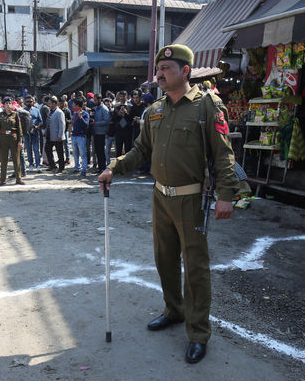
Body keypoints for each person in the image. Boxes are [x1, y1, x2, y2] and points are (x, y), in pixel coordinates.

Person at [97, 44, 239, 364]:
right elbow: (139, 151)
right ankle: (174, 311)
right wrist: (114, 167)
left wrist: (227, 195)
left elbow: (224, 154)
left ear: (185, 72)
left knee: (196, 268)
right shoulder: (155, 110)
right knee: (164, 260)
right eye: (158, 70)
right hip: (160, 196)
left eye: (167, 69)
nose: (159, 75)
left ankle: (198, 333)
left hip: (191, 198)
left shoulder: (207, 106)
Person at [0, 97, 25, 186]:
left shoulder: (15, 115)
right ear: (3, 105)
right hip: (3, 138)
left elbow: (19, 129)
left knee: (16, 159)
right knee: (4, 160)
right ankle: (2, 180)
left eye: (10, 103)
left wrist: (20, 141)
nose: (8, 105)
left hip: (13, 138)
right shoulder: (0, 115)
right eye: (6, 103)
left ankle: (18, 178)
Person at [45, 96, 66, 172]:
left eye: (50, 103)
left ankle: (61, 168)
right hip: (50, 135)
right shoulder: (50, 111)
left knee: (59, 152)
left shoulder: (59, 112)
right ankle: (52, 165)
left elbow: (62, 125)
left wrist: (60, 135)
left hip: (57, 136)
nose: (49, 105)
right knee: (47, 149)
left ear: (54, 103)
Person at [70, 97, 90, 176]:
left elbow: (86, 125)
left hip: (81, 136)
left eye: (74, 104)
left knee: (83, 153)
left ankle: (84, 169)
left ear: (78, 105)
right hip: (74, 135)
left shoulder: (85, 114)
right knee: (75, 153)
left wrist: (81, 117)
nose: (72, 106)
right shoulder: (74, 113)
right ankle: (76, 167)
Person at [93, 97, 111, 173]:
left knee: (101, 151)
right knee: (97, 151)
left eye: (96, 100)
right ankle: (100, 168)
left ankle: (103, 168)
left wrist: (96, 123)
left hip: (102, 133)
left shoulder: (104, 109)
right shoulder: (96, 108)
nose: (94, 101)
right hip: (96, 132)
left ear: (100, 100)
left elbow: (107, 121)